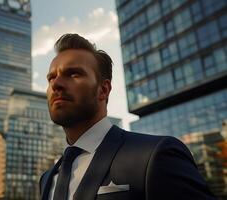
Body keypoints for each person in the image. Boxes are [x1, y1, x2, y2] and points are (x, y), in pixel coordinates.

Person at [39, 33, 215, 200]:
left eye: (73, 74)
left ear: (103, 89)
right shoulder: (47, 178)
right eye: (51, 78)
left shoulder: (156, 155)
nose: (56, 84)